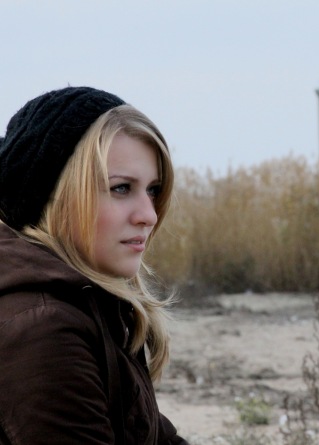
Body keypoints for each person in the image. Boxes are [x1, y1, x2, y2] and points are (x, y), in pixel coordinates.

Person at [0, 86, 189, 444]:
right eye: (121, 188)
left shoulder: (91, 301)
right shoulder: (42, 328)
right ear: (54, 195)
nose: (149, 215)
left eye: (152, 190)